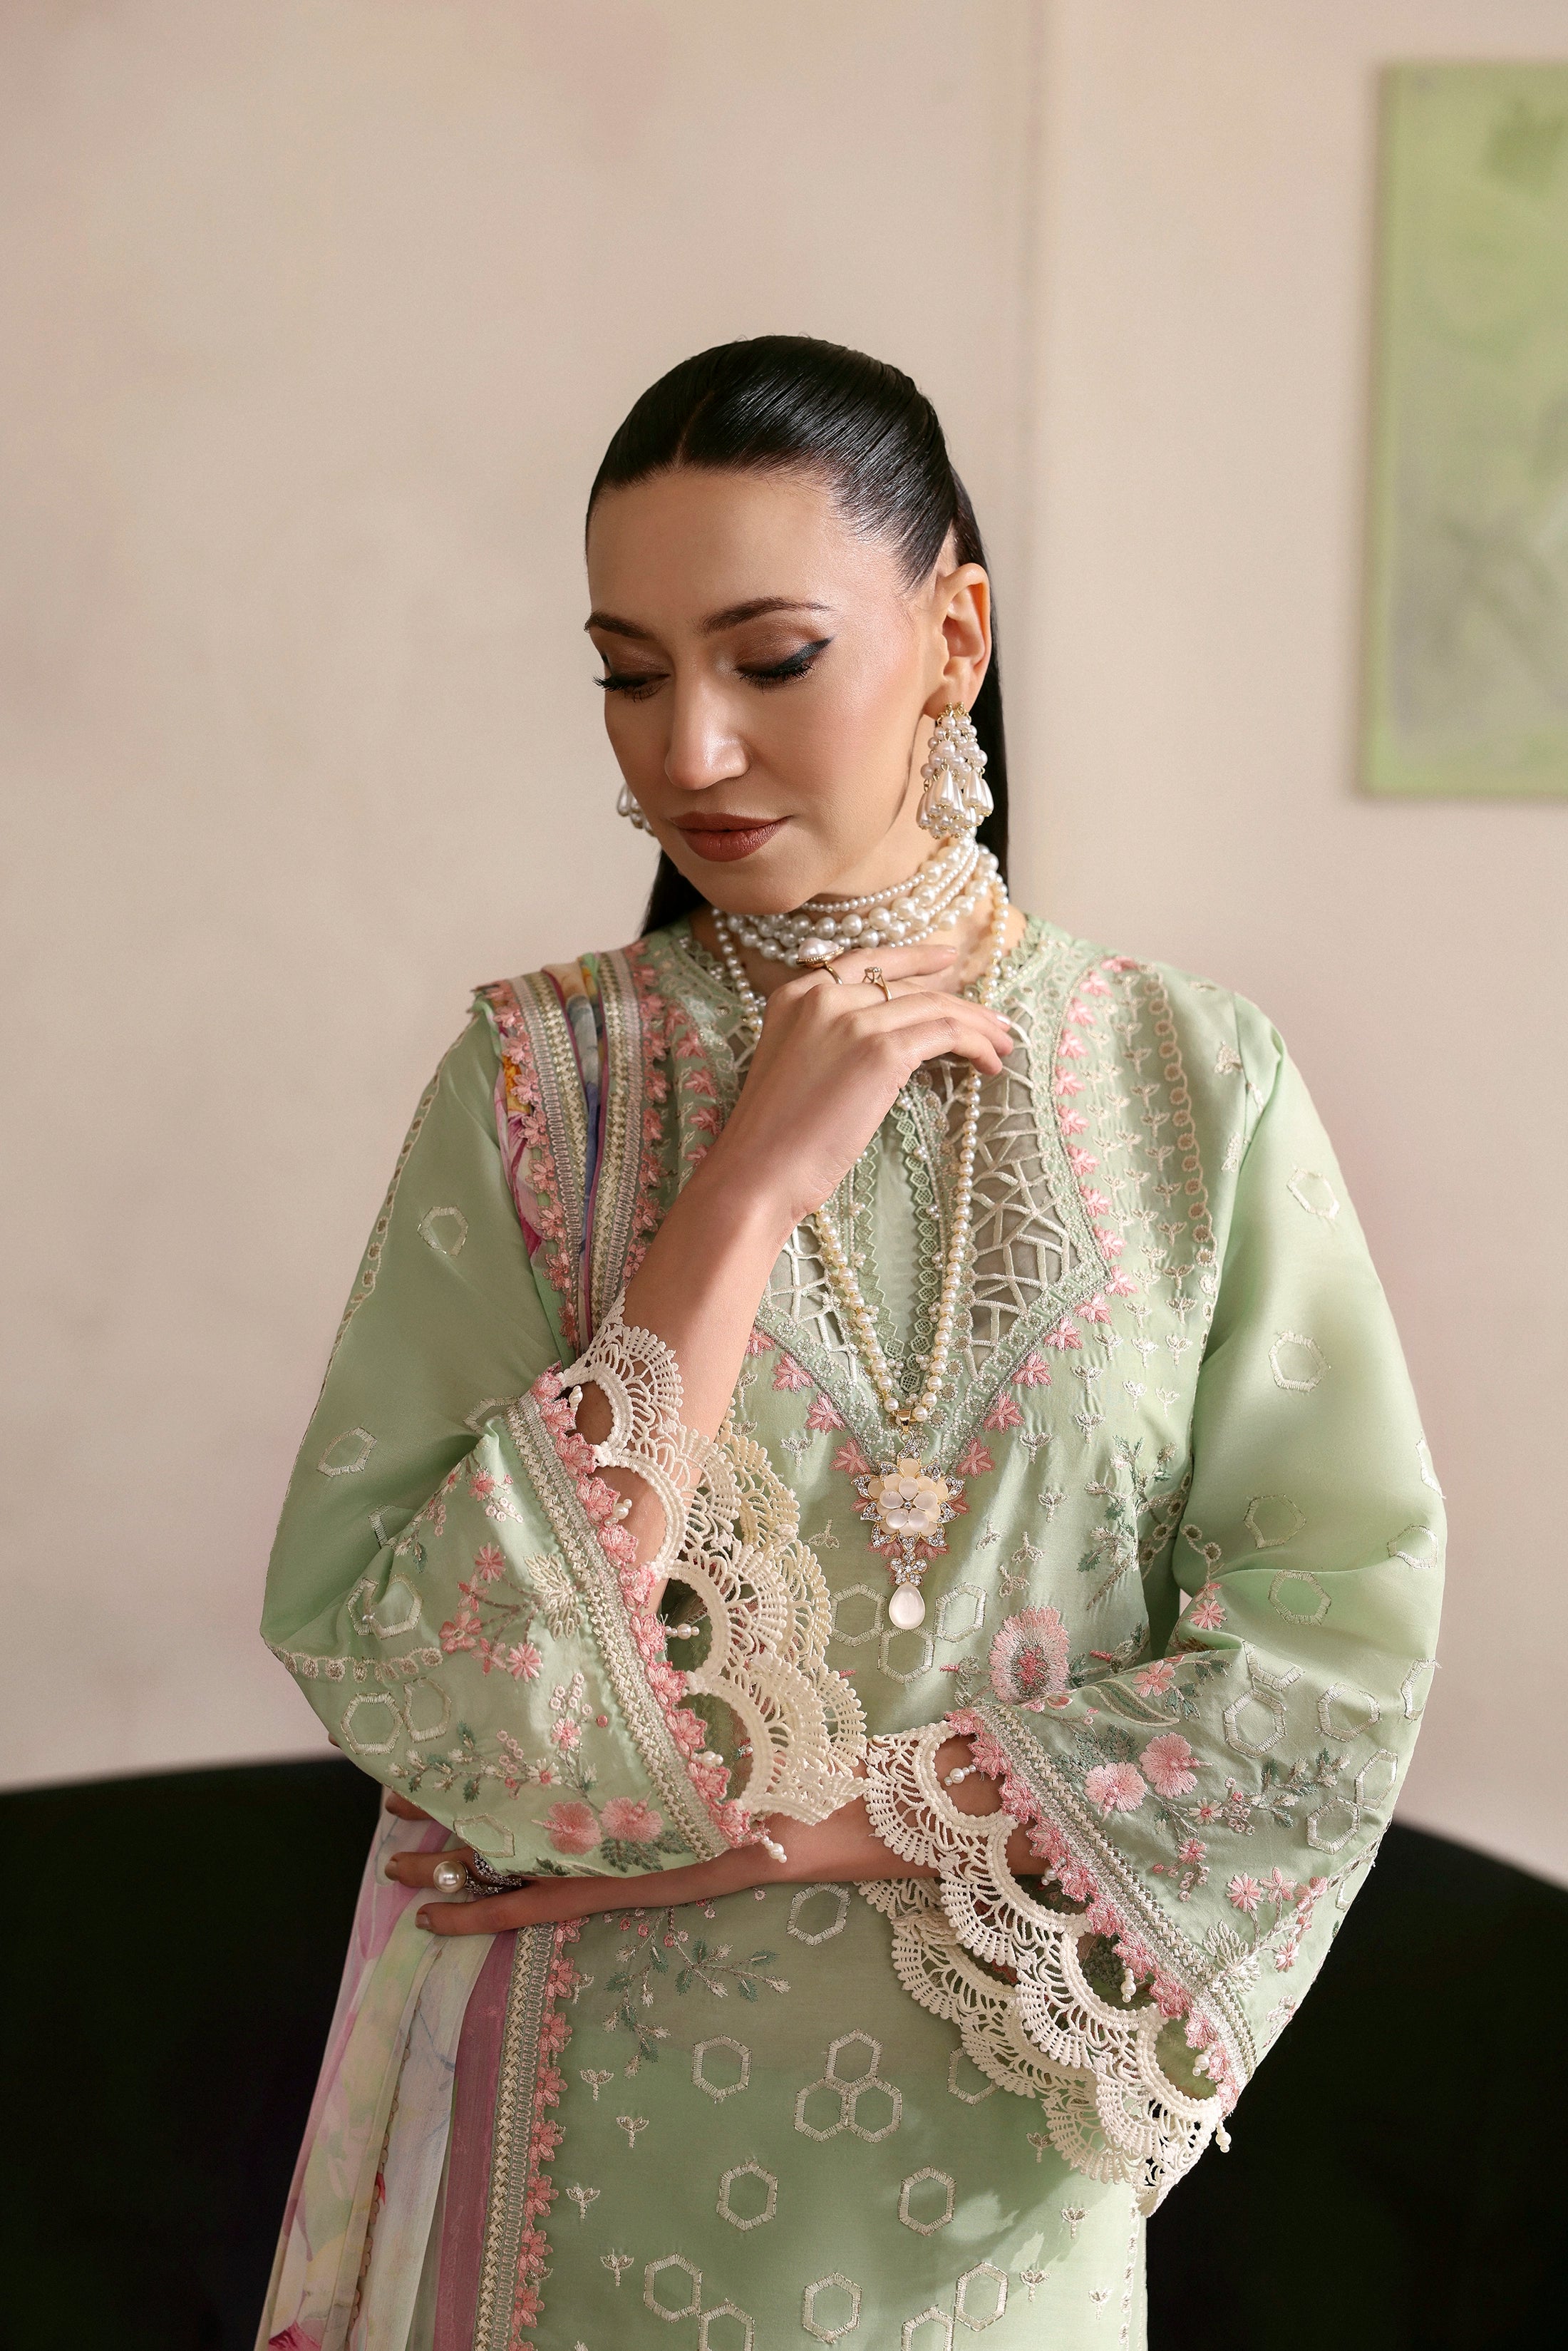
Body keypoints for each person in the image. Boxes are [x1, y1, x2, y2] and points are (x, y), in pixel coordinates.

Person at [257, 337, 1443, 2350]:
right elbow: (416, 1669)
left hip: (1003, 2205)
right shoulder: (545, 1088)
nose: (689, 749)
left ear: (952, 633)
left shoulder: (1192, 1084)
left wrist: (805, 1828)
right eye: (631, 673)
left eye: (769, 657)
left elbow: (1330, 1666)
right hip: (578, 2183)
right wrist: (729, 1215)